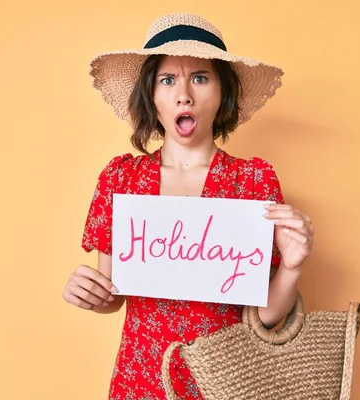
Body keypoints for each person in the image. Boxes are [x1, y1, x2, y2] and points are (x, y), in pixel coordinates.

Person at [62, 13, 315, 399]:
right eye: (168, 80)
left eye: (200, 77)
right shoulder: (122, 180)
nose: (184, 94)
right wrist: (89, 293)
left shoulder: (251, 182)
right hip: (141, 377)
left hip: (226, 382)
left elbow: (264, 317)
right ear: (152, 96)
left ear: (222, 92)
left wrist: (293, 268)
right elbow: (112, 296)